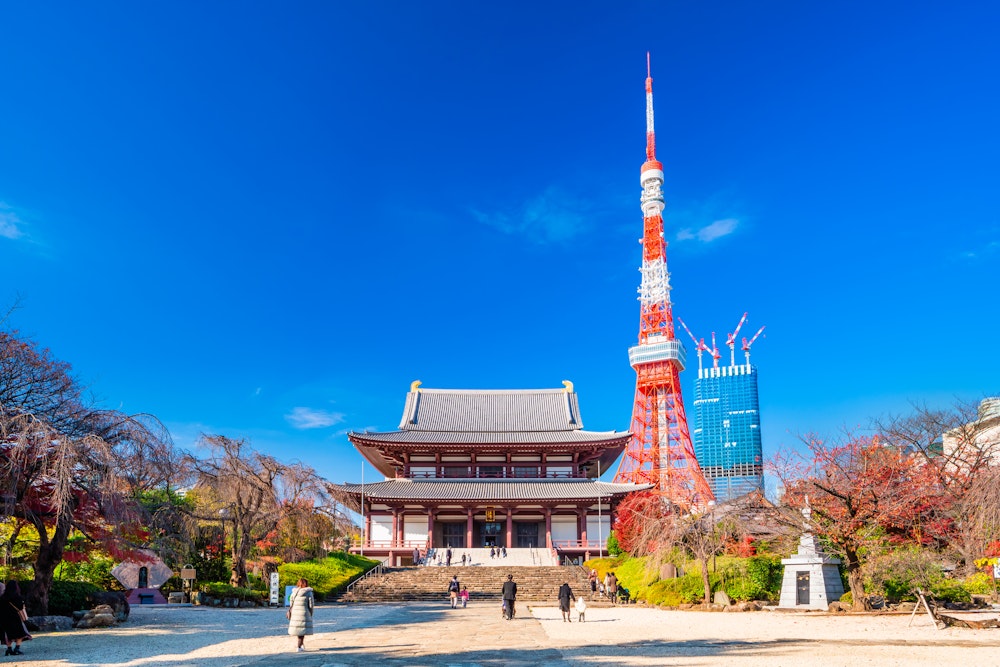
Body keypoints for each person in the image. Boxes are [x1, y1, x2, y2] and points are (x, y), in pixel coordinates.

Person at [0, 580, 30, 657]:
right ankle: (17, 648)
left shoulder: (2, 597)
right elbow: (20, 607)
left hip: (4, 618)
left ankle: (9, 649)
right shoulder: (17, 597)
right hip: (14, 617)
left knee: (7, 634)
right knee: (20, 634)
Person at [286, 577, 314, 653]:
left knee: (299, 629)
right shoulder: (308, 592)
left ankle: (301, 645)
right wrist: (311, 613)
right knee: (302, 629)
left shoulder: (294, 592)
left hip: (295, 613)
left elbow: (291, 603)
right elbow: (311, 605)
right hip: (304, 612)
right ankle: (299, 646)